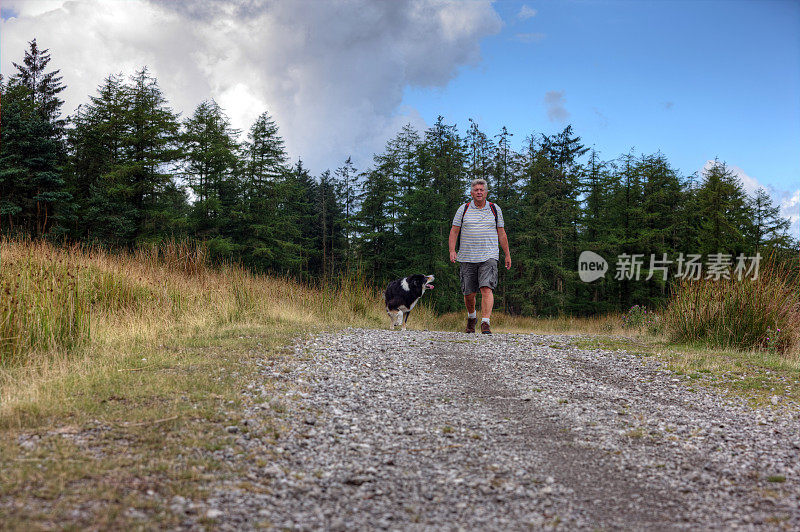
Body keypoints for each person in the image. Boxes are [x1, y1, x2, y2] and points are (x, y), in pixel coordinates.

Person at [448, 179, 511, 335]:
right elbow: (454, 231)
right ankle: (471, 318)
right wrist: (452, 250)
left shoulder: (495, 209)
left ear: (486, 192)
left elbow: (501, 233)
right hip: (467, 256)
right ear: (471, 192)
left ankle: (485, 323)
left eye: (481, 189)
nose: (479, 192)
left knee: (486, 288)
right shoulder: (463, 209)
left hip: (489, 255)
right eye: (476, 189)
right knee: (469, 293)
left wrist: (507, 255)